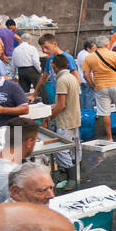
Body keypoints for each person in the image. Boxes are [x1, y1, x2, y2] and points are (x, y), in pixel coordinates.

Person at [82, 38, 116, 143]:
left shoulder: (89, 58)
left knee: (105, 112)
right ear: (107, 44)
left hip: (100, 87)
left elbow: (86, 75)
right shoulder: (114, 54)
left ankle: (109, 137)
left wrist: (93, 85)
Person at [46, 53, 81, 188]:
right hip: (74, 117)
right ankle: (72, 174)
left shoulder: (61, 80)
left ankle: (72, 178)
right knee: (74, 148)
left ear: (54, 66)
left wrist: (48, 118)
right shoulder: (72, 77)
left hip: (66, 120)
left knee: (60, 149)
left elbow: (61, 105)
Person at [33, 34, 81, 103]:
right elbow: (44, 78)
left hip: (68, 95)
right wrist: (34, 95)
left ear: (54, 44)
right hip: (57, 93)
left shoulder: (67, 58)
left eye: (46, 47)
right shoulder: (50, 59)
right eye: (42, 48)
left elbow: (77, 80)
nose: (44, 50)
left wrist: (71, 95)